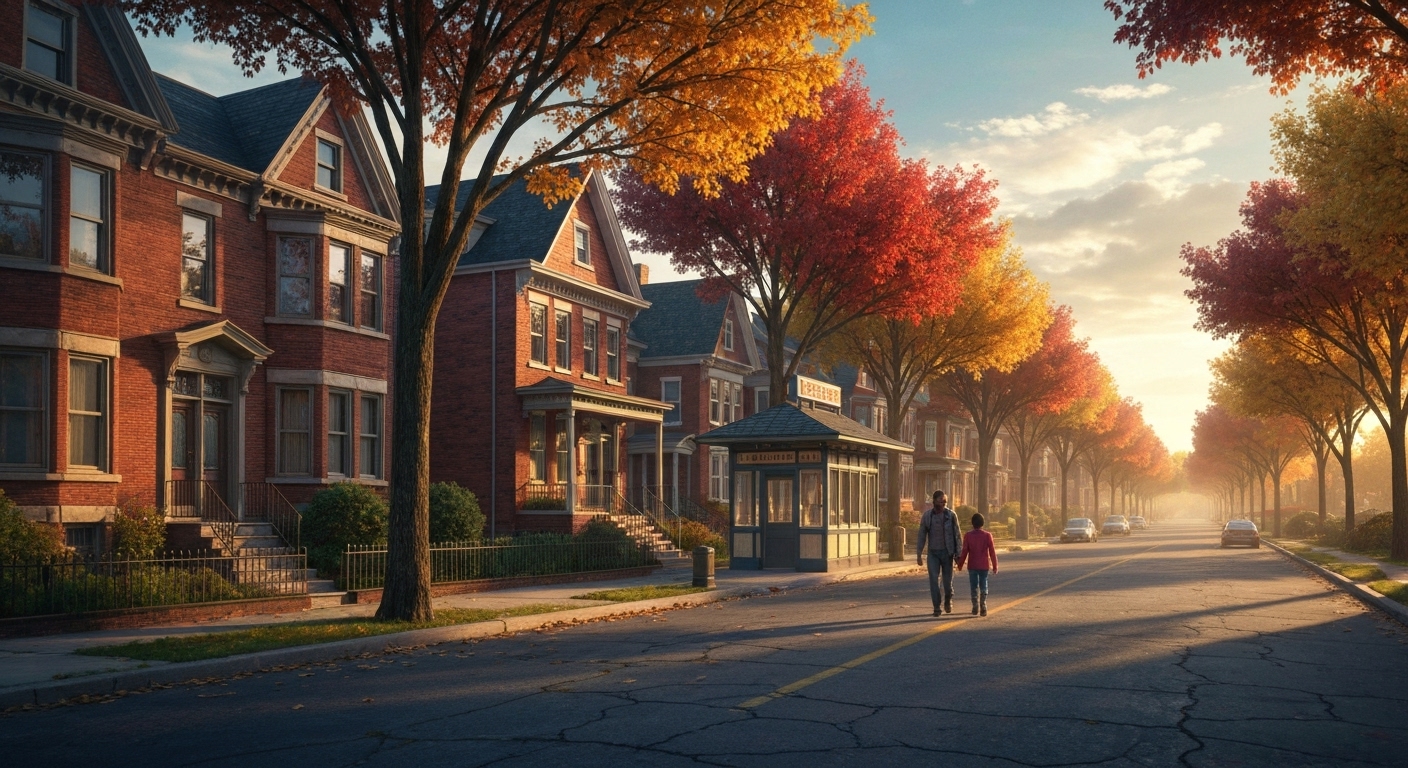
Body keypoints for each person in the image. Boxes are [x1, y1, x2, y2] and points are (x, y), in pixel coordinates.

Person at [917, 490, 962, 615]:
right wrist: (919, 554)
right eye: (940, 501)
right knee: (933, 580)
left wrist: (959, 555)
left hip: (947, 553)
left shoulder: (951, 515)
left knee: (947, 583)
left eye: (944, 502)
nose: (943, 504)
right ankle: (936, 606)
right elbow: (921, 535)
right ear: (934, 501)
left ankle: (948, 599)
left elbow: (957, 535)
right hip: (933, 554)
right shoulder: (927, 516)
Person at [956, 512, 998, 616]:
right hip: (984, 565)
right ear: (983, 523)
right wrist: (995, 566)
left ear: (972, 523)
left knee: (973, 586)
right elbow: (992, 552)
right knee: (983, 584)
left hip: (972, 565)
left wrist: (960, 564)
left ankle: (975, 606)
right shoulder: (988, 536)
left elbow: (964, 551)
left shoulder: (968, 536)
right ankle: (983, 605)